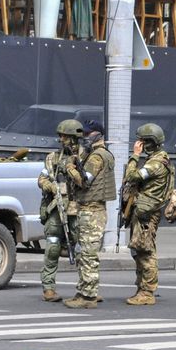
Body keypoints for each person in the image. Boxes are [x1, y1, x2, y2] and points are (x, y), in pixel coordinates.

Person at [63, 120, 115, 309]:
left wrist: (70, 167)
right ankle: (83, 291)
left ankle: (89, 296)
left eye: (88, 134)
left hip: (92, 211)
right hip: (89, 210)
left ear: (97, 135)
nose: (85, 137)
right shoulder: (93, 154)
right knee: (83, 253)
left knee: (88, 255)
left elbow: (83, 182)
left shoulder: (97, 157)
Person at [121, 123, 172, 306]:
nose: (139, 144)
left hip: (147, 214)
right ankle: (142, 287)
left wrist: (135, 155)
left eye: (142, 141)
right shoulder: (157, 159)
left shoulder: (156, 163)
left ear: (150, 142)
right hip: (144, 210)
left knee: (146, 252)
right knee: (139, 250)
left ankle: (147, 292)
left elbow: (132, 176)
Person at [37, 120, 84, 303]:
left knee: (81, 248)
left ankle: (86, 287)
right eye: (61, 136)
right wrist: (50, 186)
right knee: (53, 245)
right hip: (57, 207)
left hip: (77, 208)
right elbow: (42, 178)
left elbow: (87, 181)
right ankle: (48, 287)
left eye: (65, 136)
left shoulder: (85, 157)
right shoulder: (52, 158)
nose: (61, 139)